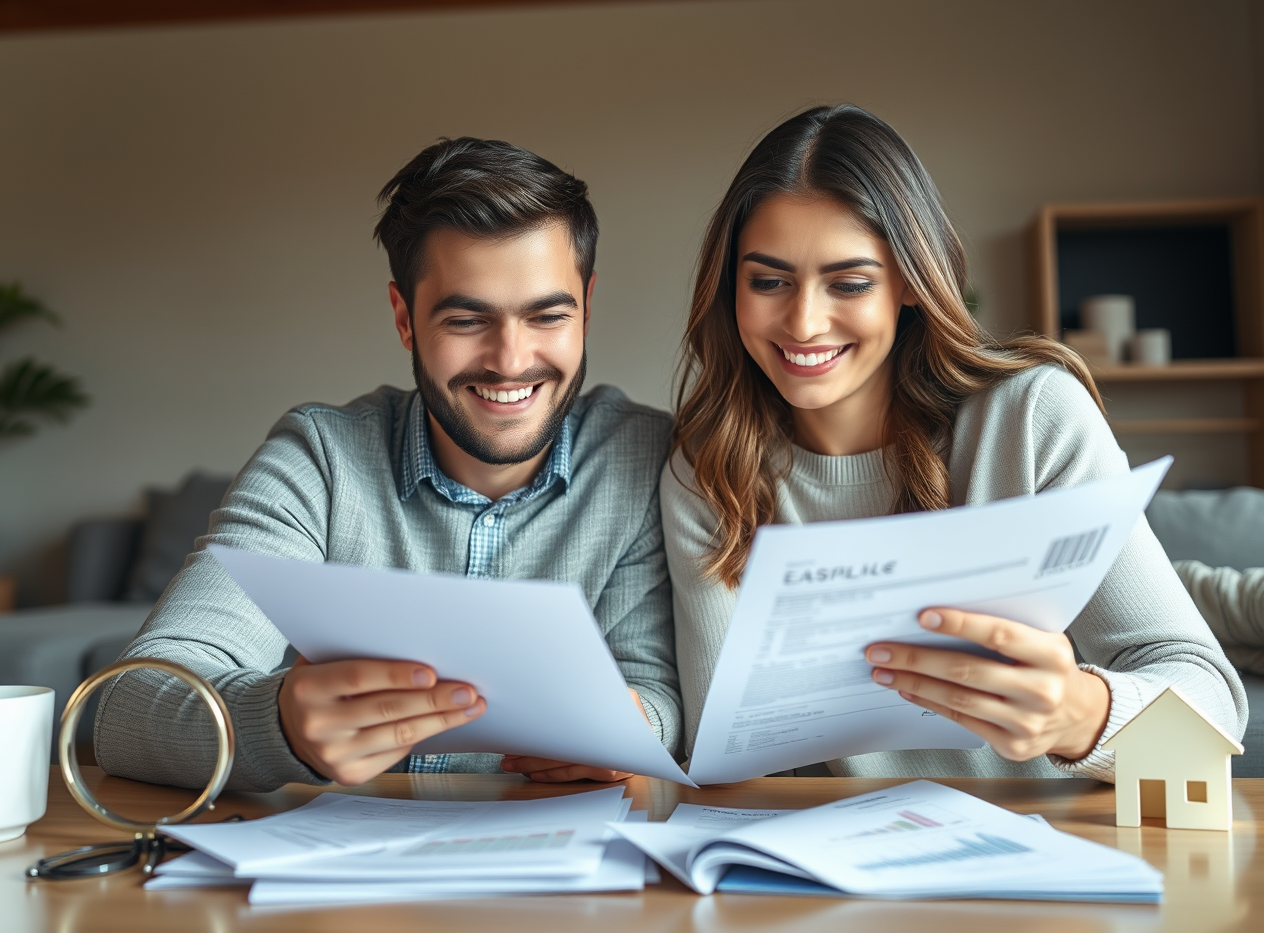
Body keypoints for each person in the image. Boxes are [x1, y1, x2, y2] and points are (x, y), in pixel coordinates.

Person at [663, 105, 1246, 780]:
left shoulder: (1029, 417)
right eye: (768, 281)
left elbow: (1213, 717)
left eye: (849, 283)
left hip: (1042, 853)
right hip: (817, 869)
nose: (804, 321)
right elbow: (724, 759)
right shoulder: (703, 469)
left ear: (909, 282)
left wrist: (1080, 715)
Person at [95, 137, 680, 791]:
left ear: (588, 309)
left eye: (547, 315)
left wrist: (639, 730)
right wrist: (279, 725)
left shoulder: (645, 458)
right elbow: (126, 709)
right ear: (405, 319)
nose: (511, 360)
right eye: (466, 320)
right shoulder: (319, 460)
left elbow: (656, 690)